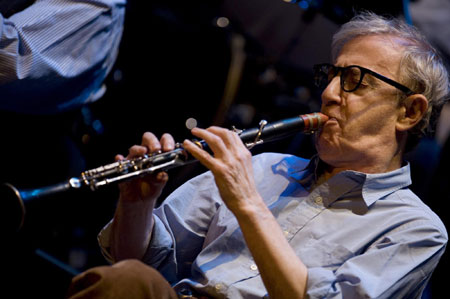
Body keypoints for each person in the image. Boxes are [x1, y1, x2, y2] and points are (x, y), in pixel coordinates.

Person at [66, 11, 449, 298]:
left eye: (353, 80)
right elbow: (137, 263)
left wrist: (248, 203)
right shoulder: (263, 167)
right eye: (331, 76)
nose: (330, 93)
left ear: (409, 112)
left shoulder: (415, 229)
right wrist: (137, 205)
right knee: (126, 280)